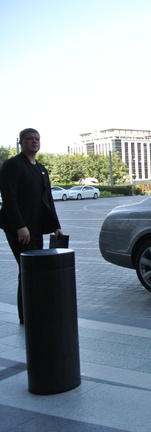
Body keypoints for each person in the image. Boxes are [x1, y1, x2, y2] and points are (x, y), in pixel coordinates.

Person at [0, 128, 64, 324]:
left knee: (36, 270)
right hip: (19, 229)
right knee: (27, 270)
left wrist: (56, 226)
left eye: (37, 139)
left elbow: (48, 199)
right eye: (29, 139)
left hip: (36, 228)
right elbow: (9, 198)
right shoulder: (12, 165)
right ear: (21, 142)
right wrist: (20, 225)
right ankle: (26, 315)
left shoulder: (41, 168)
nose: (34, 142)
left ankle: (35, 311)